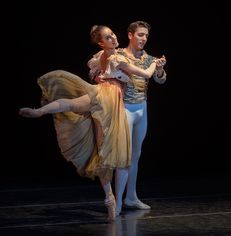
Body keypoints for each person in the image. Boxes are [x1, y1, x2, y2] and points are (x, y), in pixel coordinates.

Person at [19, 25, 160, 220]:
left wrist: (101, 75)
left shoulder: (107, 54)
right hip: (112, 102)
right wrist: (155, 64)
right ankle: (114, 200)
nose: (112, 38)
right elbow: (144, 74)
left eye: (112, 34)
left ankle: (40, 111)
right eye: (108, 37)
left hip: (102, 94)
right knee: (110, 152)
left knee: (74, 107)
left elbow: (95, 69)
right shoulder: (117, 57)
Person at [115, 21, 167, 215]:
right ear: (130, 35)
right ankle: (117, 201)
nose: (144, 39)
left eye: (146, 35)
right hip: (125, 108)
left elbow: (160, 80)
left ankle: (131, 197)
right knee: (124, 156)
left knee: (136, 154)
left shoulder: (148, 58)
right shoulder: (119, 55)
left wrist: (160, 69)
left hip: (141, 108)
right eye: (140, 35)